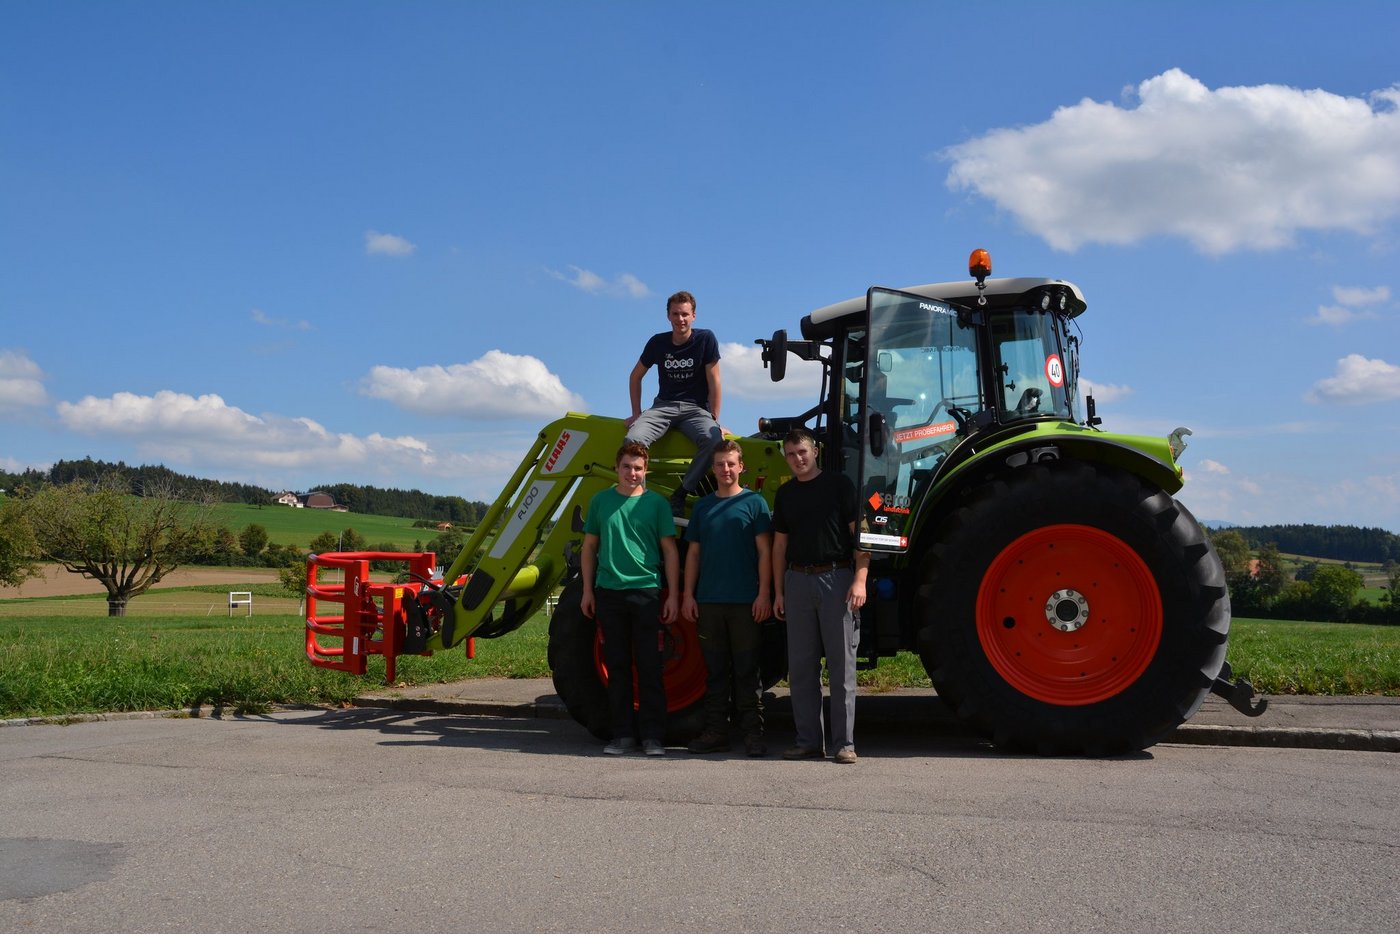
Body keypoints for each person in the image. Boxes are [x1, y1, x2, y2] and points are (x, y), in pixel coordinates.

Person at [771, 427, 869, 764]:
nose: (798, 459)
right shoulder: (785, 495)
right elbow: (779, 546)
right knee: (800, 668)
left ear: (815, 452)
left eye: (802, 452)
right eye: (791, 454)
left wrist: (860, 580)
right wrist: (779, 591)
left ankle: (844, 744)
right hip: (797, 581)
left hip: (837, 578)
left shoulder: (839, 485)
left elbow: (861, 537)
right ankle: (808, 741)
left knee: (842, 667)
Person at [581, 441, 680, 756]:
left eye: (638, 468)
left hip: (646, 591)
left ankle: (653, 737)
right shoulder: (600, 502)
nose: (632, 473)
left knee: (650, 665)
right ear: (617, 468)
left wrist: (673, 594)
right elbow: (588, 548)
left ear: (645, 470)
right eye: (627, 467)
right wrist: (587, 590)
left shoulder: (657, 505)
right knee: (617, 665)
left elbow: (669, 551)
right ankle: (622, 735)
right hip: (609, 592)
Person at [680, 440, 773, 757]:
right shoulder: (703, 507)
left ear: (741, 466)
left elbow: (765, 552)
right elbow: (693, 554)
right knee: (715, 671)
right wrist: (688, 595)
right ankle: (716, 732)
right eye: (719, 464)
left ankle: (753, 735)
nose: (725, 469)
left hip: (746, 602)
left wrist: (764, 594)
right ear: (713, 468)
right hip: (709, 602)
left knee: (748, 671)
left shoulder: (755, 503)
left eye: (731, 463)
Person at [625, 290, 724, 514]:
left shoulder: (705, 339)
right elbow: (635, 376)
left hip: (696, 409)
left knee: (713, 441)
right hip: (663, 406)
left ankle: (681, 493)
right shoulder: (657, 342)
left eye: (685, 314)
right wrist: (636, 413)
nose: (681, 319)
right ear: (668, 316)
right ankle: (641, 498)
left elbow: (714, 380)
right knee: (633, 439)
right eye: (676, 314)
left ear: (694, 316)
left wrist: (715, 419)